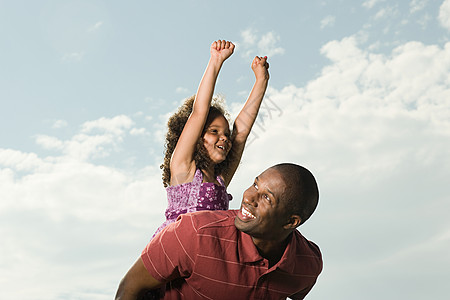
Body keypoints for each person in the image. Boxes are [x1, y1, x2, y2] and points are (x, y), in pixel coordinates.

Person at [116, 163, 322, 300]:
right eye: (255, 184)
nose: (249, 197)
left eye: (267, 198)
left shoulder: (307, 264)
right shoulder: (194, 232)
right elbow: (129, 289)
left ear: (291, 222)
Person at [153, 39, 270, 237]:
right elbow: (199, 112)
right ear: (196, 137)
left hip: (207, 253)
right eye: (214, 131)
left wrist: (261, 81)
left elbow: (241, 133)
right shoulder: (183, 168)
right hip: (177, 247)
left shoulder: (220, 180)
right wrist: (216, 61)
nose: (224, 138)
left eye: (225, 133)